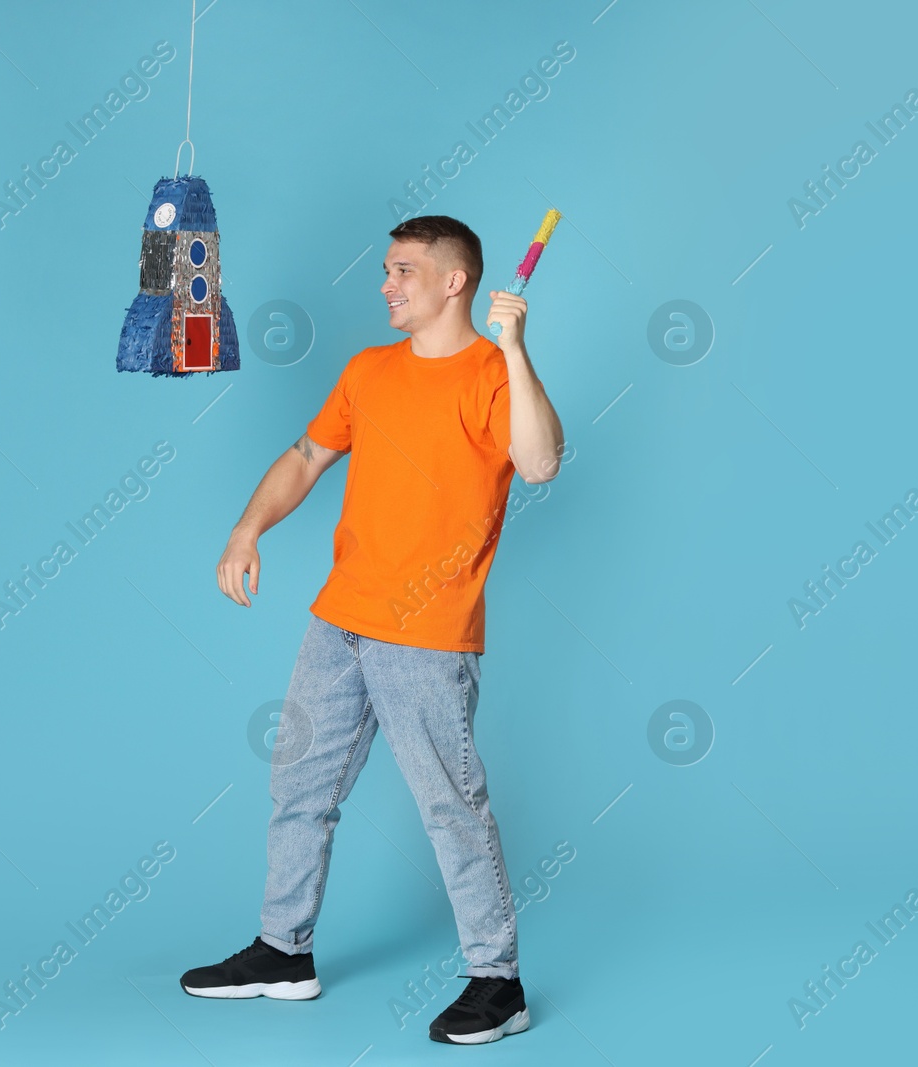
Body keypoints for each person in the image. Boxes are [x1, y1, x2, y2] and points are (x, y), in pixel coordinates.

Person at [178, 215, 565, 1045]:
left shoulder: (493, 374)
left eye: (402, 271)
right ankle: (284, 951)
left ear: (453, 281)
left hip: (427, 632)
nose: (386, 284)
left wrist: (517, 349)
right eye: (385, 271)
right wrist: (248, 530)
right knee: (298, 788)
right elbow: (307, 458)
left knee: (450, 806)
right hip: (339, 621)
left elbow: (538, 463)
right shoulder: (369, 369)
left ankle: (497, 982)